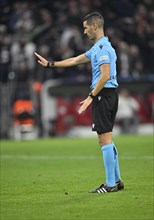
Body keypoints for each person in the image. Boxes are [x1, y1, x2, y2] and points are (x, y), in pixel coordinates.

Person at [35, 12, 124, 193]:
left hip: (103, 95)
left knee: (103, 139)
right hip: (108, 94)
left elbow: (105, 74)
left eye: (85, 27)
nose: (84, 32)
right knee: (107, 137)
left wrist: (91, 97)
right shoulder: (99, 47)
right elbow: (76, 59)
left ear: (94, 26)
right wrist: (51, 64)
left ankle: (110, 185)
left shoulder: (102, 49)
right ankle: (116, 180)